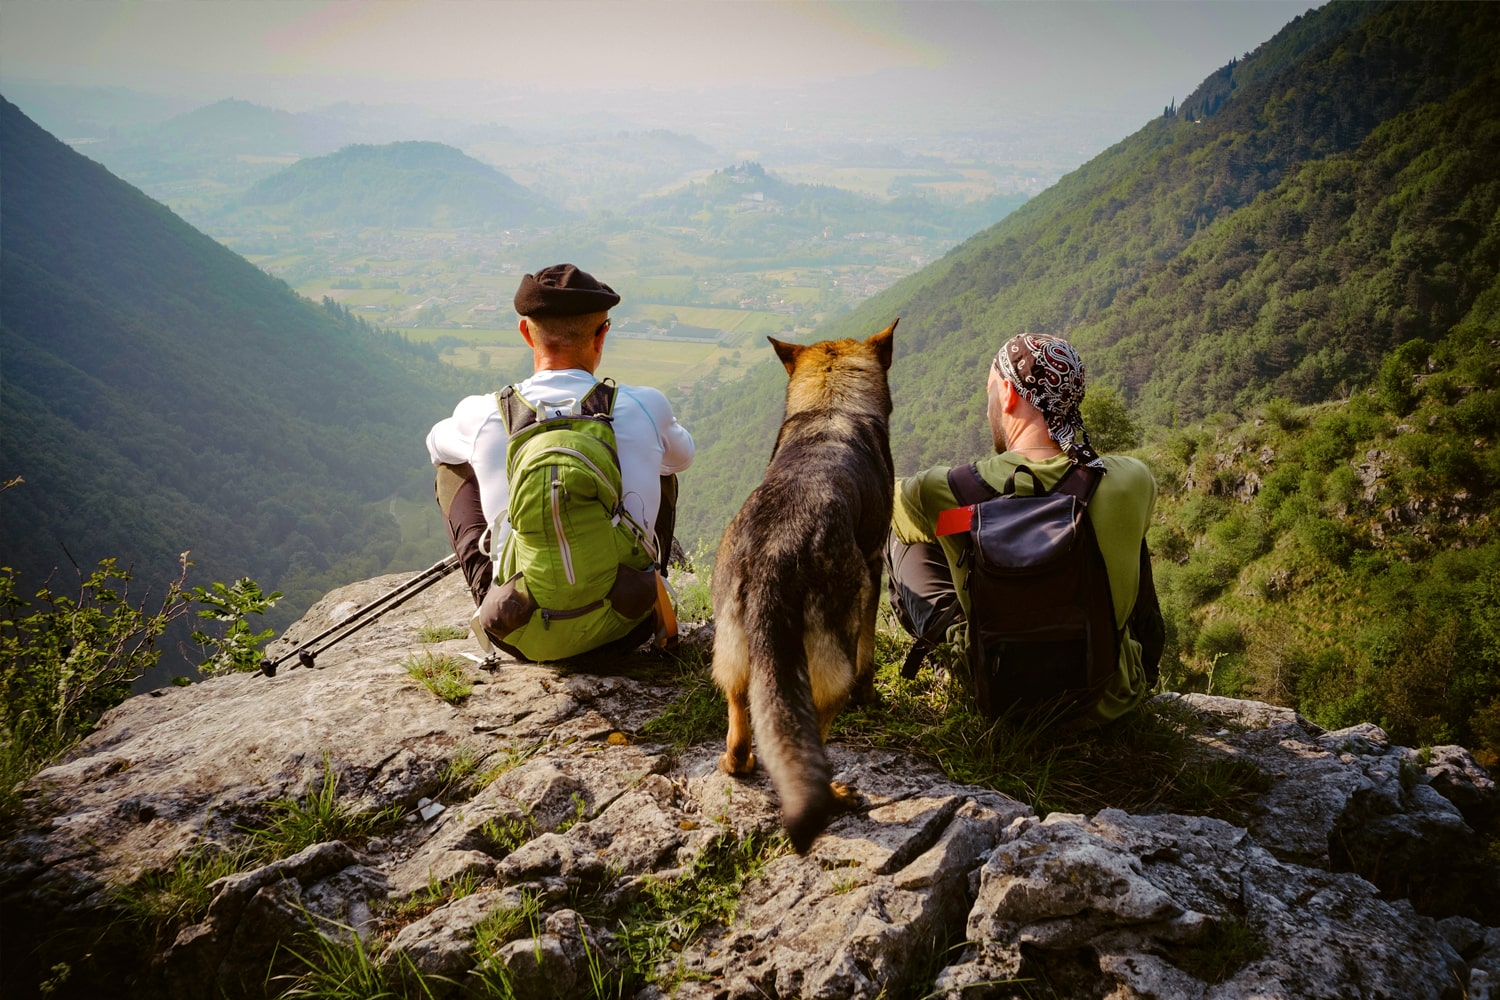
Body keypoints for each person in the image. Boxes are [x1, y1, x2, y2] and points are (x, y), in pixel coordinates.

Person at [884, 332, 1158, 726]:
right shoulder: (1131, 480)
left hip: (992, 699)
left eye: (991, 391)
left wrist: (968, 521)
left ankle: (953, 660)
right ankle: (1144, 670)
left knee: (903, 535)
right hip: (1104, 701)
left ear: (1009, 394)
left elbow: (878, 502)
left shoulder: (942, 491)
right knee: (1124, 534)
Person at [427, 263, 694, 657]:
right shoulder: (644, 404)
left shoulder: (484, 413)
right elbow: (682, 457)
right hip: (628, 625)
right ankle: (649, 580)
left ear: (525, 334)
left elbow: (435, 444)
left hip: (519, 635)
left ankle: (496, 594)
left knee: (451, 470)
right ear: (601, 335)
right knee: (663, 464)